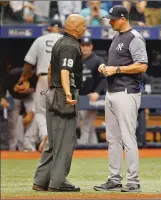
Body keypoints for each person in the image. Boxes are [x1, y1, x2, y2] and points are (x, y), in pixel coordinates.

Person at [93, 5, 148, 192]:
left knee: (128, 139)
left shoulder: (135, 38)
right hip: (112, 91)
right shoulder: (116, 37)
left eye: (113, 19)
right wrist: (105, 68)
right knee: (113, 139)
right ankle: (114, 180)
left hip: (127, 92)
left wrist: (115, 69)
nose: (110, 21)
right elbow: (118, 64)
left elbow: (142, 66)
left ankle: (133, 182)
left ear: (123, 18)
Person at [32, 14, 86, 192]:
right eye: (83, 25)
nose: (85, 28)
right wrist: (68, 93)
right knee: (65, 141)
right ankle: (58, 182)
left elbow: (49, 68)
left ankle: (41, 181)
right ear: (76, 28)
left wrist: (51, 91)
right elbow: (64, 70)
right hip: (64, 95)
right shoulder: (71, 45)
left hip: (54, 92)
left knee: (53, 140)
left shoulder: (60, 42)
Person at [15, 19, 63, 151]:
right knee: (60, 111)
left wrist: (23, 78)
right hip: (63, 80)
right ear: (61, 29)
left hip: (44, 78)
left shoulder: (40, 40)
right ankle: (57, 140)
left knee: (41, 111)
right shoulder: (66, 40)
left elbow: (28, 63)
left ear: (49, 28)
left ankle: (45, 134)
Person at [77, 37, 106, 145]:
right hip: (80, 97)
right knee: (89, 126)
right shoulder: (77, 59)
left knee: (86, 126)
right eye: (83, 45)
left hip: (92, 98)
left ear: (91, 47)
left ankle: (82, 146)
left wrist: (97, 92)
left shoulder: (98, 60)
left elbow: (104, 79)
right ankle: (94, 148)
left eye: (87, 45)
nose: (85, 48)